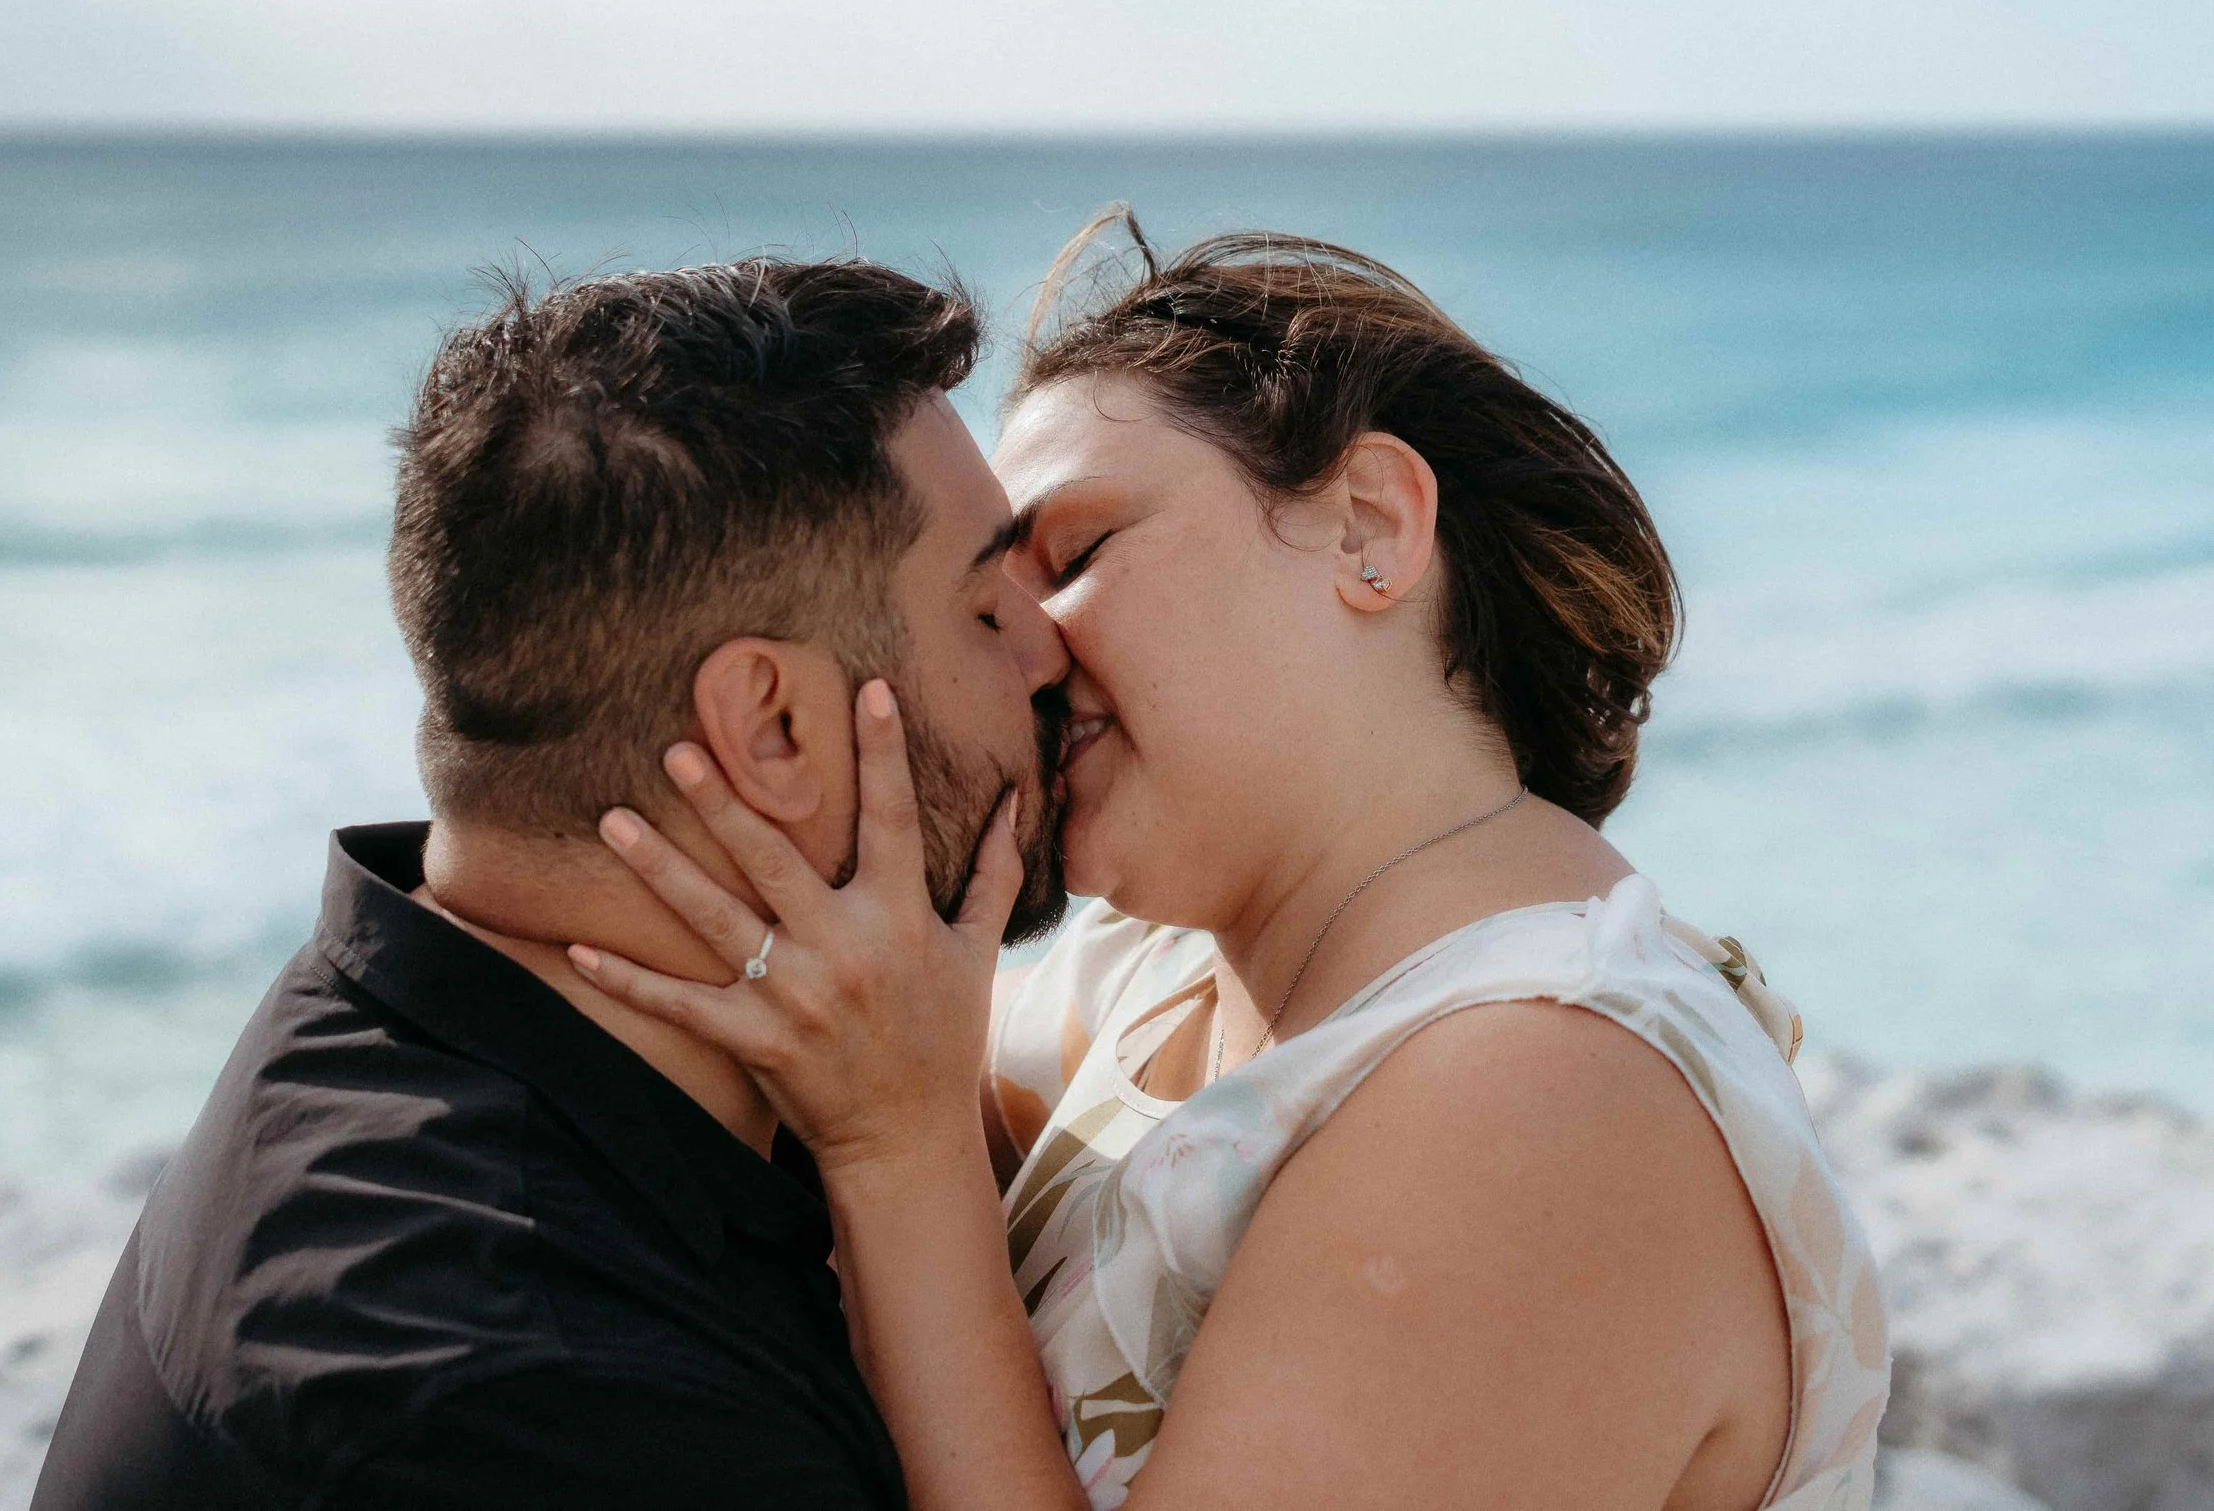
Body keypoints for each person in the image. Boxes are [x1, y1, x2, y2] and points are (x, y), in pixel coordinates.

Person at [564, 218, 1893, 1511]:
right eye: (985, 599)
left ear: (1370, 525)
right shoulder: (1152, 977)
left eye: (1073, 555)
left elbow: (894, 1138)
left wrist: (895, 1147)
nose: (1020, 651)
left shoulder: (1545, 1092)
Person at [31, 256, 1074, 1510]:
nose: (1048, 640)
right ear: (774, 727)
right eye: (981, 602)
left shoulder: (429, 1014)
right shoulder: (541, 1396)